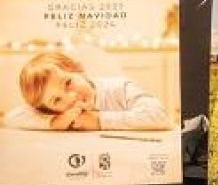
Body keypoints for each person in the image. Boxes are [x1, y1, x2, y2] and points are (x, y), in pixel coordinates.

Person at [5, 51, 169, 131]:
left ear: (79, 69)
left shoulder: (120, 88)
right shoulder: (60, 115)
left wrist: (99, 120)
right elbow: (11, 118)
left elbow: (159, 116)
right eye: (56, 100)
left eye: (68, 83)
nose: (70, 98)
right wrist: (55, 122)